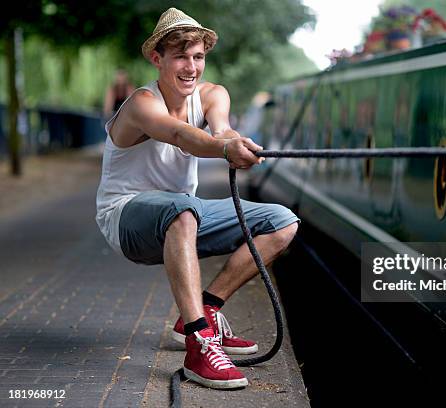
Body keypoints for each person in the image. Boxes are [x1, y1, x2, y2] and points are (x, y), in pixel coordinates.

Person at [95, 7, 299, 390]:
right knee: (183, 210)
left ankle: (206, 308)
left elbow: (220, 129)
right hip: (125, 218)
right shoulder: (142, 104)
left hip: (181, 216)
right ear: (157, 59)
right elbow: (179, 135)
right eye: (180, 57)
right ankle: (199, 342)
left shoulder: (212, 94)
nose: (191, 67)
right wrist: (223, 151)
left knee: (282, 222)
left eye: (198, 57)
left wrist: (233, 142)